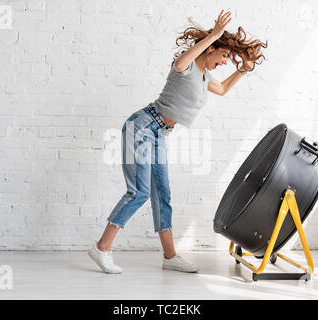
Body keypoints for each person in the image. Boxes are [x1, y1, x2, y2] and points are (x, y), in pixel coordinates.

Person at [89, 10, 267, 274]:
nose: (225, 62)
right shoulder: (185, 67)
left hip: (159, 134)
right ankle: (102, 248)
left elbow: (224, 88)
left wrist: (242, 70)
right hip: (140, 128)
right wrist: (215, 34)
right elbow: (187, 59)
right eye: (225, 55)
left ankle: (170, 257)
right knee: (139, 193)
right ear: (212, 48)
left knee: (163, 195)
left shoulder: (206, 78)